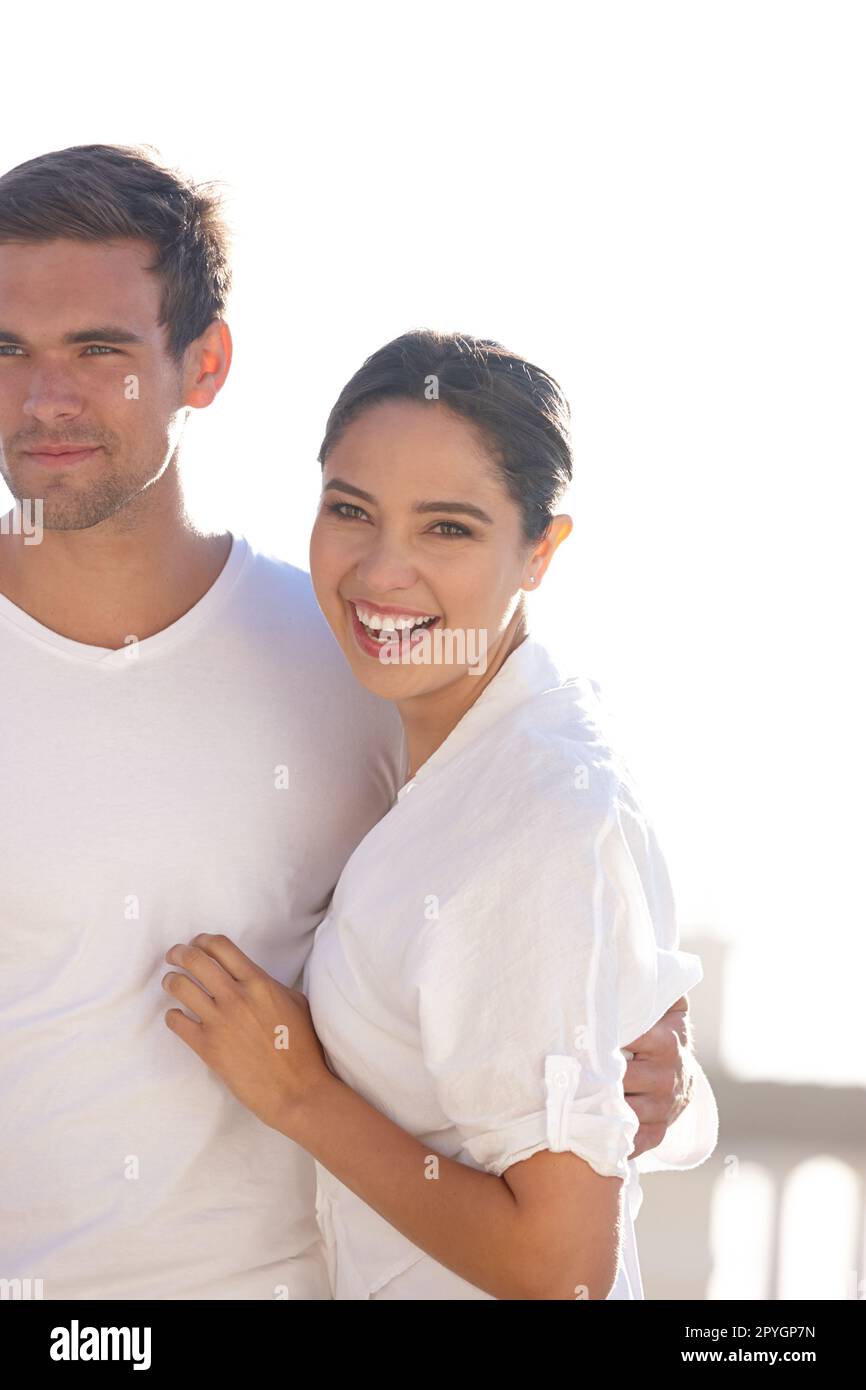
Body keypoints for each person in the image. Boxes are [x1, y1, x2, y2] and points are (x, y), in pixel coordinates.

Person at [0, 142, 708, 1301]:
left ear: (205, 364)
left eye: (100, 350)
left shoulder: (355, 654)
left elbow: (548, 903)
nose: (48, 398)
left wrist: (655, 1080)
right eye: (7, 350)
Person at [161, 330, 719, 1300]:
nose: (382, 571)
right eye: (350, 510)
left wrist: (300, 1092)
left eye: (447, 528)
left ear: (540, 551)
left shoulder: (532, 805)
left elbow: (559, 1272)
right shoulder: (472, 742)